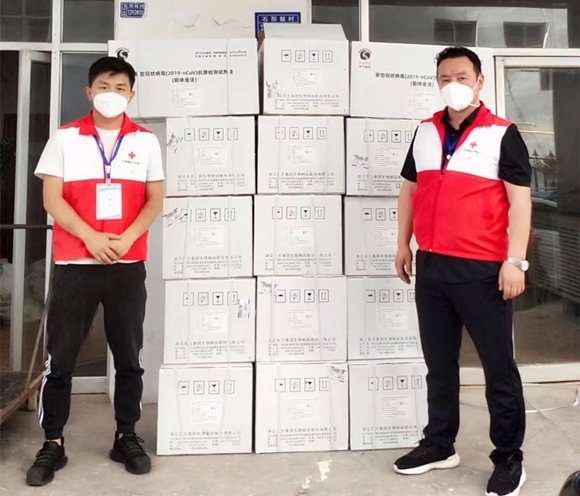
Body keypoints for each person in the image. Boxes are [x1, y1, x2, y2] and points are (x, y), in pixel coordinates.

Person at [394, 46, 532, 496]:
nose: (452, 84)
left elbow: (520, 202)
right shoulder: (424, 131)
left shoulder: (502, 133)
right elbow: (409, 190)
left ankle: (508, 457)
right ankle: (439, 444)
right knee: (439, 364)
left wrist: (515, 261)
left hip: (482, 269)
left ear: (479, 82)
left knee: (498, 368)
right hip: (432, 265)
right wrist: (403, 243)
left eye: (461, 76)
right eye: (444, 77)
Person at [26, 57, 164, 486]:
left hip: (127, 265)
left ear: (131, 94)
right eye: (104, 86)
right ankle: (53, 442)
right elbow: (52, 199)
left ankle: (126, 436)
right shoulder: (65, 138)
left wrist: (126, 239)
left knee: (129, 359)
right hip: (75, 264)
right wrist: (92, 238)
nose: (111, 94)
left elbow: (155, 200)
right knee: (61, 360)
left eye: (120, 88)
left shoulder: (145, 141)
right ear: (89, 92)